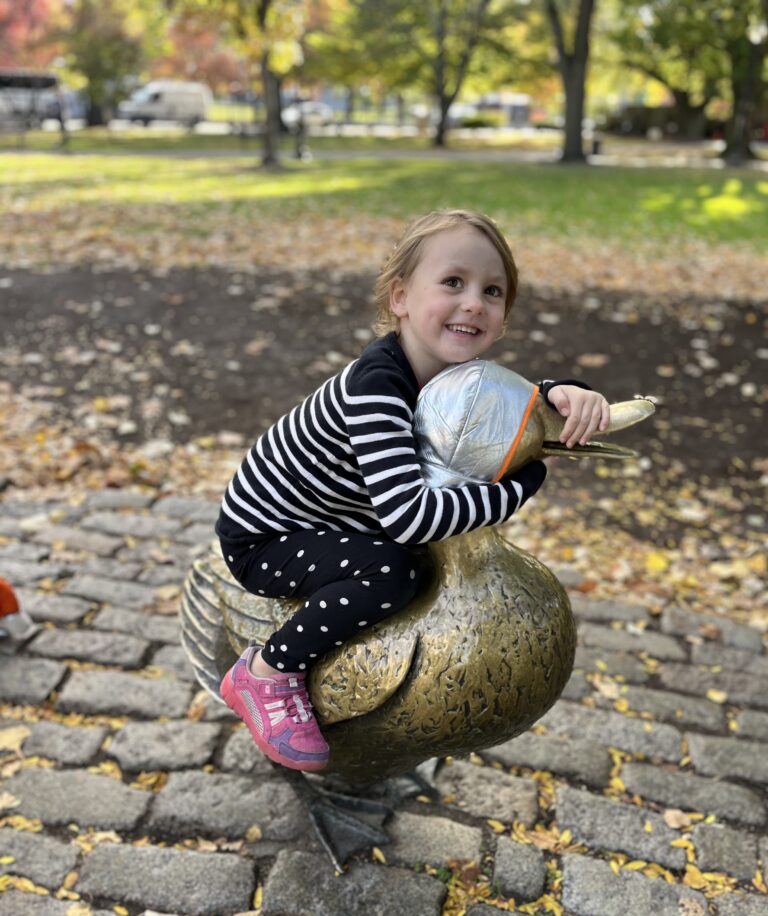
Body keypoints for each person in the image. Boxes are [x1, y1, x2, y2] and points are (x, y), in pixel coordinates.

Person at [215, 209, 610, 772]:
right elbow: (409, 519)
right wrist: (521, 486)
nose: (474, 301)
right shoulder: (378, 385)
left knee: (414, 565)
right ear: (400, 297)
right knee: (392, 571)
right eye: (453, 282)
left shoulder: (450, 376)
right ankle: (268, 672)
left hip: (340, 517)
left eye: (492, 291)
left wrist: (565, 394)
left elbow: (484, 407)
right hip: (269, 533)